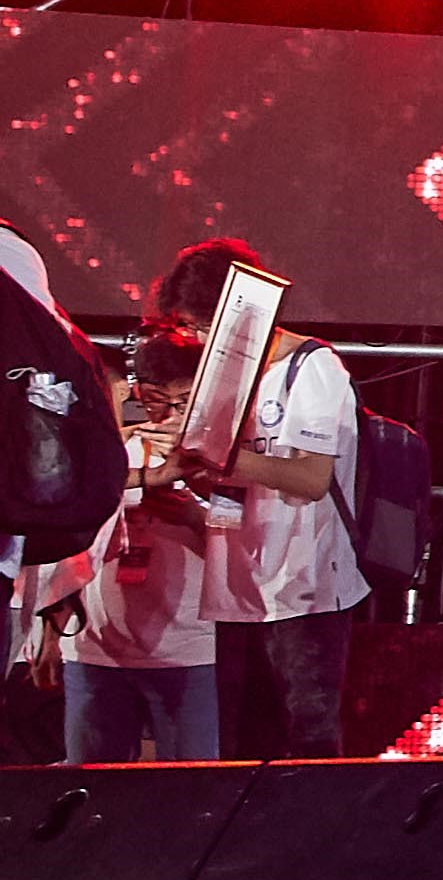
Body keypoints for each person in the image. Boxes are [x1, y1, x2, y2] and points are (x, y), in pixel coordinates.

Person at [152, 240, 361, 766]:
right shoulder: (221, 377)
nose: (200, 339)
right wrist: (186, 476)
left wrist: (216, 454)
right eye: (192, 328)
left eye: (203, 324)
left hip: (304, 589)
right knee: (242, 754)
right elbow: (229, 483)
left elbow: (311, 479)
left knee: (308, 748)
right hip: (236, 586)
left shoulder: (312, 367)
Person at [38, 339, 237, 763]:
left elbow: (250, 556)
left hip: (188, 651)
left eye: (183, 401)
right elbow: (64, 545)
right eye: (156, 400)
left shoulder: (226, 463)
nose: (170, 414)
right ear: (138, 393)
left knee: (190, 787)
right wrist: (51, 633)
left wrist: (193, 518)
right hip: (96, 649)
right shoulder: (114, 453)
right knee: (92, 783)